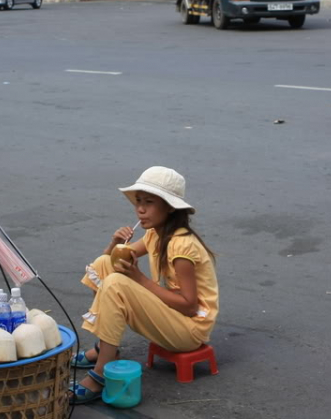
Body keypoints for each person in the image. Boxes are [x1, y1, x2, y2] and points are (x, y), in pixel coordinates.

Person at [69, 166, 219, 404]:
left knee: (117, 283)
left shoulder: (182, 245)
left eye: (149, 203)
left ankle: (99, 375)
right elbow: (114, 261)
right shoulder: (155, 234)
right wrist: (115, 243)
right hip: (171, 314)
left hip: (189, 330)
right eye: (138, 201)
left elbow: (190, 306)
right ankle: (105, 348)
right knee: (103, 264)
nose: (140, 209)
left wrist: (139, 279)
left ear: (169, 207)